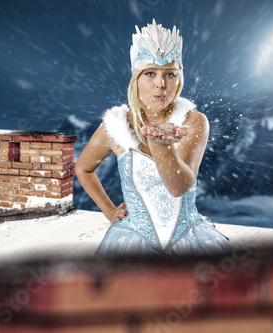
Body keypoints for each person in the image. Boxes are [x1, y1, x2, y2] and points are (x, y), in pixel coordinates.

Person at [76, 19, 234, 255]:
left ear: (179, 79)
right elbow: (83, 169)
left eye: (170, 74)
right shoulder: (116, 127)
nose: (160, 84)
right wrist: (109, 211)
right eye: (150, 73)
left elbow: (178, 187)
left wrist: (161, 144)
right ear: (136, 79)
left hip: (189, 241)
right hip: (130, 244)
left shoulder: (194, 121)